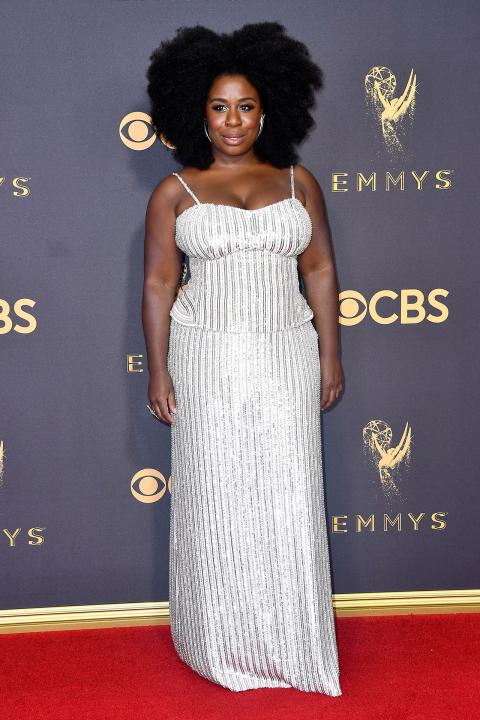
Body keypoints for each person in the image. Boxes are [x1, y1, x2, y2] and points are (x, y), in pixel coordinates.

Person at [142, 21, 344, 695]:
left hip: (287, 354)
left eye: (246, 106)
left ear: (268, 110)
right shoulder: (176, 191)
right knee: (218, 496)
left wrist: (330, 357)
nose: (233, 121)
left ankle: (291, 638)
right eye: (219, 107)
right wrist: (159, 368)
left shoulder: (298, 181)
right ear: (197, 113)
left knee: (288, 493)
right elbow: (159, 284)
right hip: (209, 359)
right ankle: (220, 639)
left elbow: (320, 270)